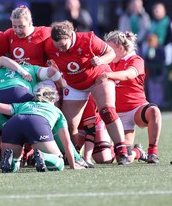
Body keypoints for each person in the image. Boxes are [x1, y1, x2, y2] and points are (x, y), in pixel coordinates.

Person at [43, 20, 129, 165]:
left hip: (97, 77)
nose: (61, 50)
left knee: (107, 111)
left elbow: (110, 53)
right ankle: (74, 156)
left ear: (71, 36)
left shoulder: (88, 39)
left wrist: (100, 60)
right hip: (74, 84)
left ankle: (122, 152)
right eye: (58, 47)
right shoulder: (49, 46)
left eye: (63, 45)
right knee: (67, 124)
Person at [0, 85, 85, 172]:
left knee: (11, 166)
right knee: (58, 163)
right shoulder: (56, 111)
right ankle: (43, 156)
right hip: (37, 123)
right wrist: (73, 164)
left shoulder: (24, 104)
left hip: (13, 123)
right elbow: (66, 142)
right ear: (53, 100)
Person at [101, 30, 162, 164]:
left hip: (136, 109)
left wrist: (108, 75)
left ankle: (153, 152)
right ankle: (138, 152)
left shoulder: (136, 60)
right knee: (120, 158)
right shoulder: (109, 61)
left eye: (110, 49)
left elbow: (128, 75)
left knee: (154, 111)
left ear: (121, 48)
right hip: (115, 115)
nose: (107, 53)